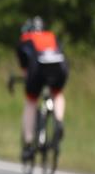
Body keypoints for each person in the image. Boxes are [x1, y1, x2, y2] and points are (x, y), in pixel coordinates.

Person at [16, 16, 68, 161]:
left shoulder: (25, 39)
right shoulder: (52, 36)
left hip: (38, 68)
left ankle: (28, 143)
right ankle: (58, 121)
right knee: (57, 93)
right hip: (59, 67)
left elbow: (25, 69)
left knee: (31, 101)